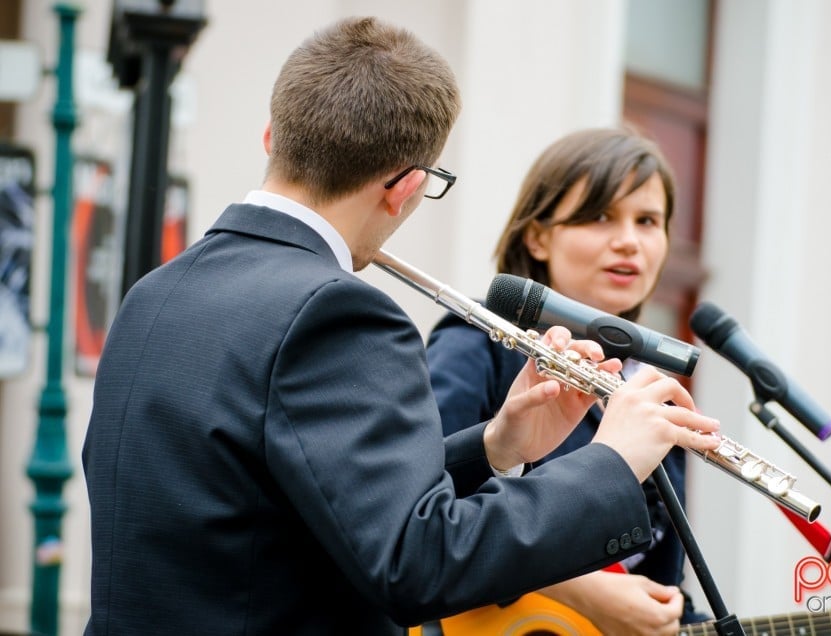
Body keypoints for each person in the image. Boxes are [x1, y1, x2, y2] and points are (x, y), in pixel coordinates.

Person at [80, 16, 723, 636]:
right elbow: (419, 564)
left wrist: (498, 446)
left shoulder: (156, 291)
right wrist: (612, 461)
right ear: (406, 187)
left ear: (272, 135)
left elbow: (298, 500)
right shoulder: (338, 310)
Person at [426, 127, 831, 636]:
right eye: (600, 216)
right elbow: (423, 499)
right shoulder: (481, 342)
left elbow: (663, 603)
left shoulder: (657, 397)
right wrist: (583, 589)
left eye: (648, 221)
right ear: (537, 235)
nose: (629, 240)